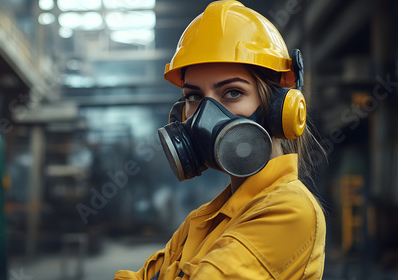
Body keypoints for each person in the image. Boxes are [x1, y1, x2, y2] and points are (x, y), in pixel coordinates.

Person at [114, 1, 326, 279]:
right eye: (193, 97)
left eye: (233, 92)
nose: (205, 117)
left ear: (279, 109)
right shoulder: (202, 220)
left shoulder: (290, 211)